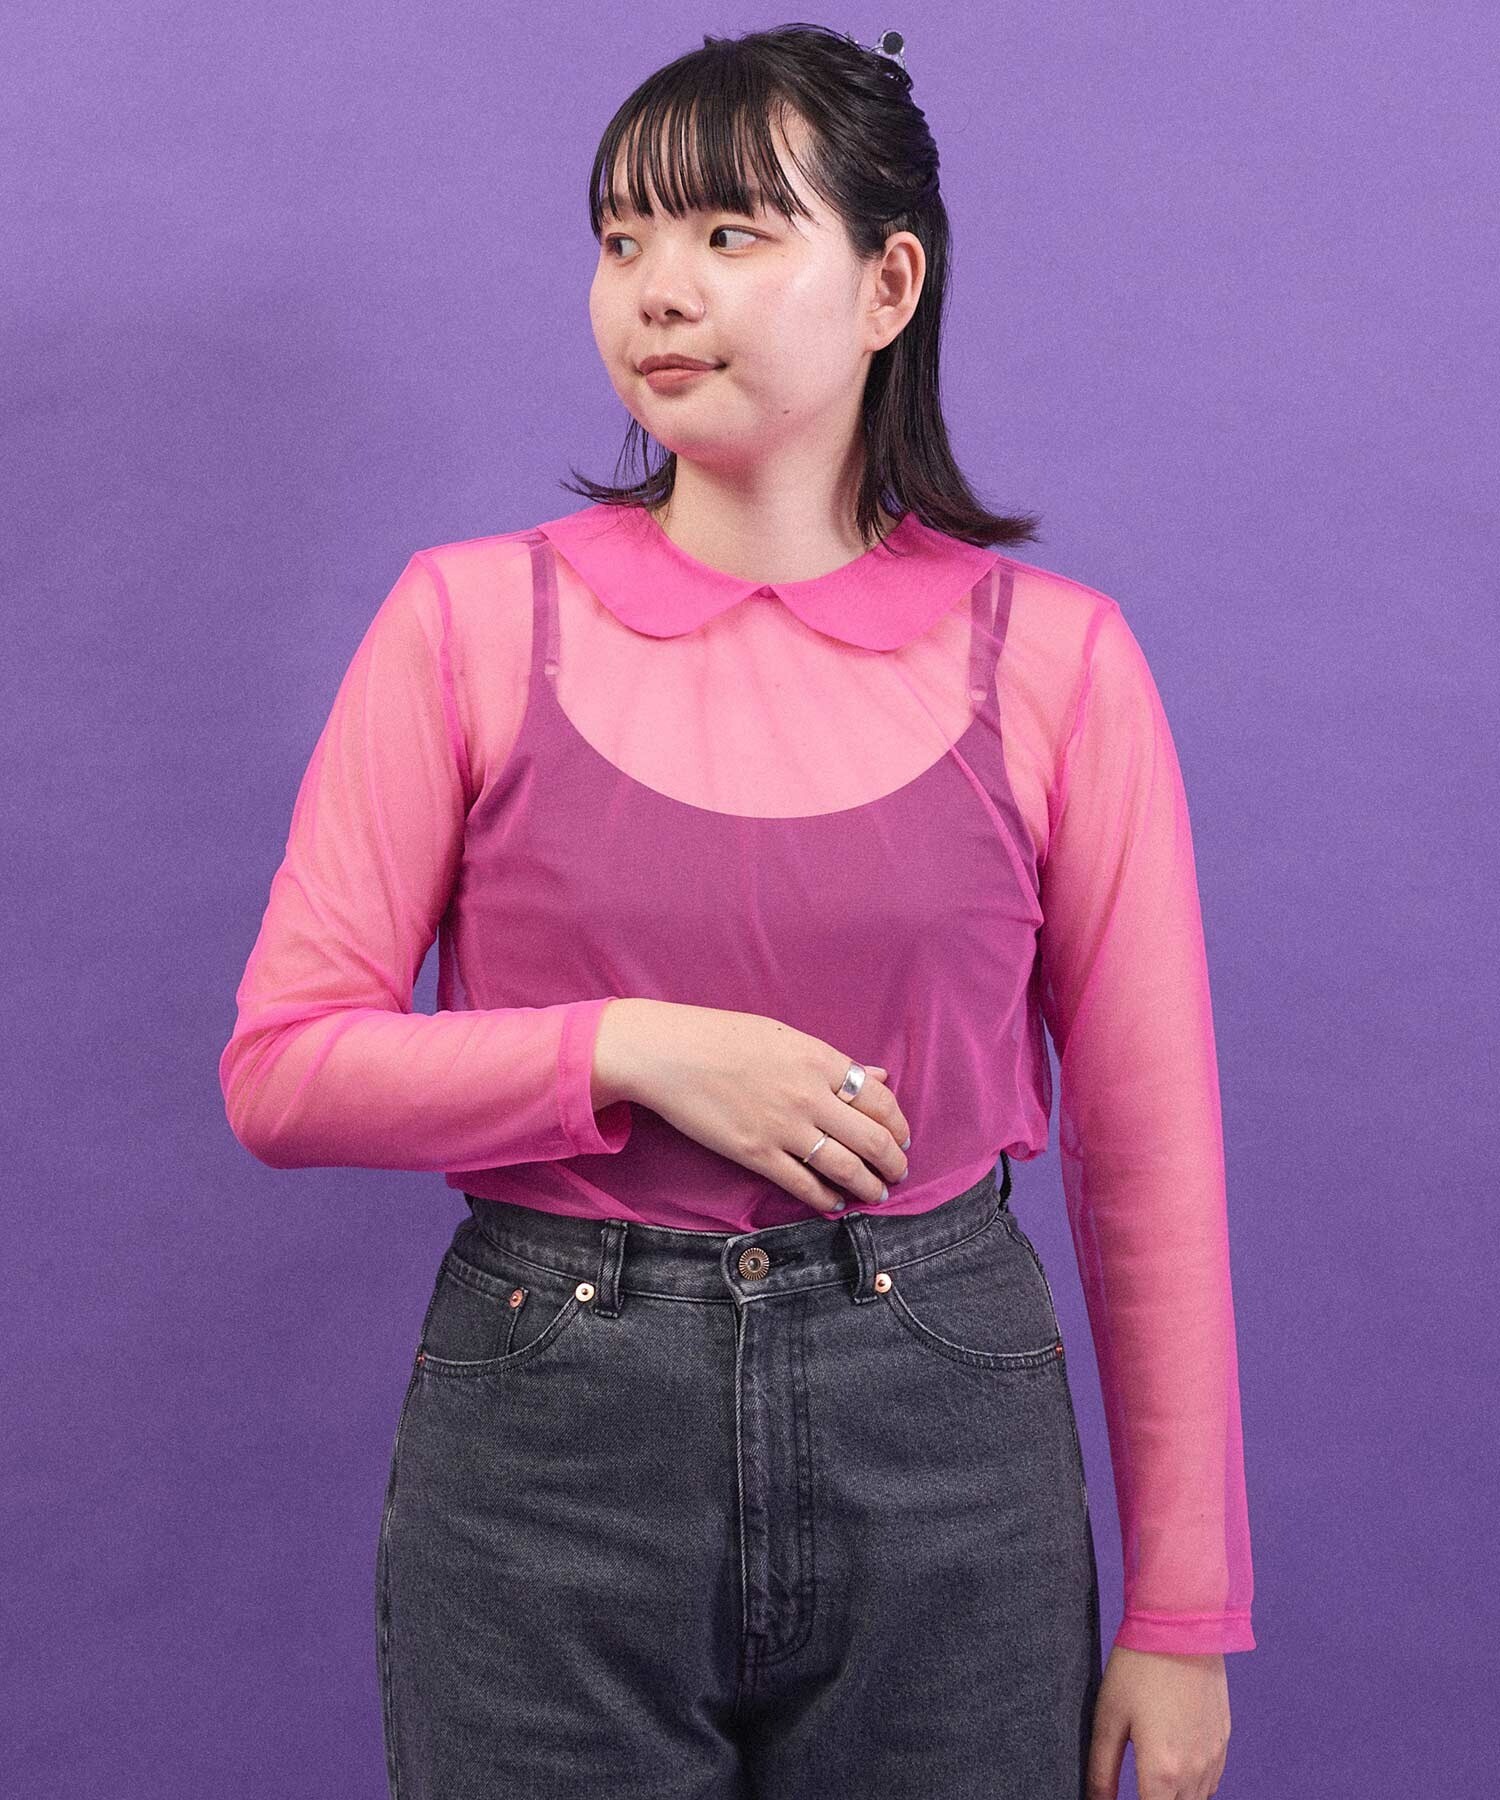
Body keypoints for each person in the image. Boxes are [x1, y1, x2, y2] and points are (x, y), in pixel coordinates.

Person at [219, 22, 1254, 1799]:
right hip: (549, 1449)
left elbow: (1149, 1159)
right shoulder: (467, 623)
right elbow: (283, 1069)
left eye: (729, 233)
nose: (658, 289)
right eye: (622, 239)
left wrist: (1180, 1610)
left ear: (887, 284)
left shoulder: (1059, 663)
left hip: (948, 1441)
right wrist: (631, 1050)